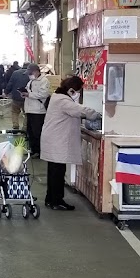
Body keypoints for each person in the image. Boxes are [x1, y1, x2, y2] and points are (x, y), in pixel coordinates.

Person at [41, 75, 100, 211]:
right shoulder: (63, 101)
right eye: (78, 91)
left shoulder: (57, 97)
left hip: (54, 139)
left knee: (54, 171)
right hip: (57, 140)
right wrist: (96, 114)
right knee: (57, 171)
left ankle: (50, 199)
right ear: (72, 90)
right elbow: (80, 110)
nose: (78, 94)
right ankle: (56, 201)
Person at [22, 64, 50, 156]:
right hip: (29, 109)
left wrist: (29, 95)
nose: (29, 75)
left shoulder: (44, 81)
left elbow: (43, 94)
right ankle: (32, 149)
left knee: (37, 132)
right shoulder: (30, 81)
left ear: (36, 71)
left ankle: (39, 151)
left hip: (38, 111)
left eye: (30, 73)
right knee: (30, 131)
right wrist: (23, 93)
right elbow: (28, 91)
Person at [5, 62, 31, 130]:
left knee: (15, 112)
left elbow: (10, 83)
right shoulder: (30, 74)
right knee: (26, 113)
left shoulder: (15, 73)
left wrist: (6, 92)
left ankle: (15, 125)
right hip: (26, 97)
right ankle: (25, 127)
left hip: (16, 96)